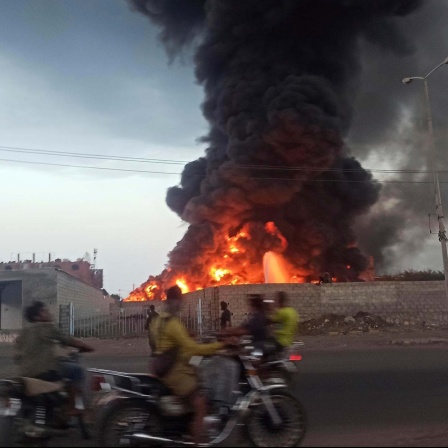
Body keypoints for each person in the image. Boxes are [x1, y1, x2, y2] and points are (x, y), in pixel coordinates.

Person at [148, 285, 235, 446]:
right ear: (175, 301)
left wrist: (185, 335)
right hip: (174, 371)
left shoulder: (158, 320)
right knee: (201, 403)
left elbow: (160, 343)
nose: (180, 304)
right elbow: (193, 348)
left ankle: (186, 425)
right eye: (179, 301)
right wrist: (220, 345)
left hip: (159, 365)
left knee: (197, 372)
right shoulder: (173, 323)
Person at [15, 301, 94, 415]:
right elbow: (68, 340)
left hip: (24, 373)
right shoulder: (46, 327)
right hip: (44, 371)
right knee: (76, 370)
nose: (48, 313)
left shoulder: (23, 333)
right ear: (37, 316)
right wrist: (87, 347)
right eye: (45, 311)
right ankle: (72, 407)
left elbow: (17, 357)